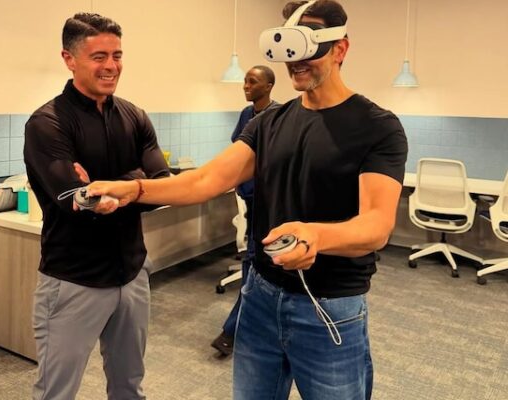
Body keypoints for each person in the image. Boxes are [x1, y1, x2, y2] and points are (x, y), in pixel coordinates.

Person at [85, 1, 408, 399]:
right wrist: (135, 190)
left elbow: (376, 226)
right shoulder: (268, 123)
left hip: (329, 307)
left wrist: (317, 236)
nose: (296, 63)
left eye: (308, 49)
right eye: (290, 51)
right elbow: (206, 180)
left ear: (340, 49)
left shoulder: (377, 127)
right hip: (260, 297)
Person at [23, 13, 169, 400]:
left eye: (117, 55)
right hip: (73, 282)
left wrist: (109, 188)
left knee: (129, 386)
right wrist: (135, 183)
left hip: (132, 275)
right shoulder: (47, 124)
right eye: (99, 56)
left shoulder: (135, 117)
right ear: (69, 59)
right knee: (56, 392)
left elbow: (163, 186)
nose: (111, 66)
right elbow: (76, 200)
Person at [211, 65, 279, 356]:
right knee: (254, 267)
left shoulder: (278, 116)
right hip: (250, 201)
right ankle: (247, 328)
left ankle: (231, 332)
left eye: (253, 81)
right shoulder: (246, 115)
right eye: (245, 80)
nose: (246, 86)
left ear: (269, 86)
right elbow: (238, 152)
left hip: (270, 205)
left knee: (255, 266)